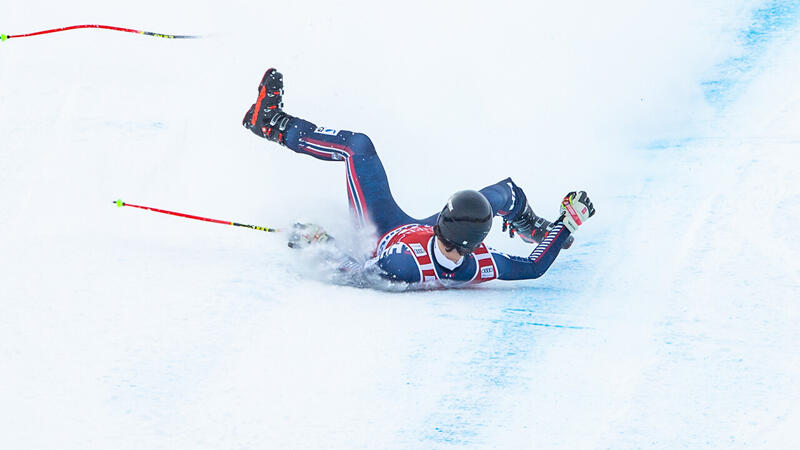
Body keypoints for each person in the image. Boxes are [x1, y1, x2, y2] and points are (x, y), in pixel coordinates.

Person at [242, 68, 595, 288]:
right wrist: (566, 224)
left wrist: (322, 243)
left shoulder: (405, 262)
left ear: (441, 226)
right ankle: (527, 222)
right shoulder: (481, 261)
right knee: (505, 193)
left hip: (382, 230)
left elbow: (359, 274)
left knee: (358, 147)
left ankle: (273, 124)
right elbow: (533, 266)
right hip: (413, 229)